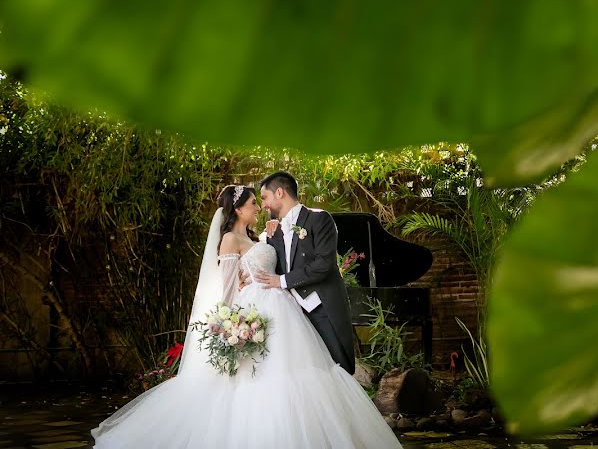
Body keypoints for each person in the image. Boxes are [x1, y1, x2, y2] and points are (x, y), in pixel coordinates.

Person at [92, 184, 401, 448]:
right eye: (254, 203)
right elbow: (227, 289)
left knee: (301, 371)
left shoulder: (256, 237)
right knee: (261, 380)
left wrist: (267, 239)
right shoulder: (229, 240)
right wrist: (229, 326)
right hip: (255, 312)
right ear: (238, 209)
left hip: (282, 309)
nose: (259, 207)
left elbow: (260, 264)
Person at [255, 170, 355, 374]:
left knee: (338, 370)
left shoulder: (319, 219)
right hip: (293, 316)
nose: (263, 205)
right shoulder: (275, 232)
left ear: (280, 193)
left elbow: (323, 265)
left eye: (265, 197)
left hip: (322, 308)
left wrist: (281, 281)